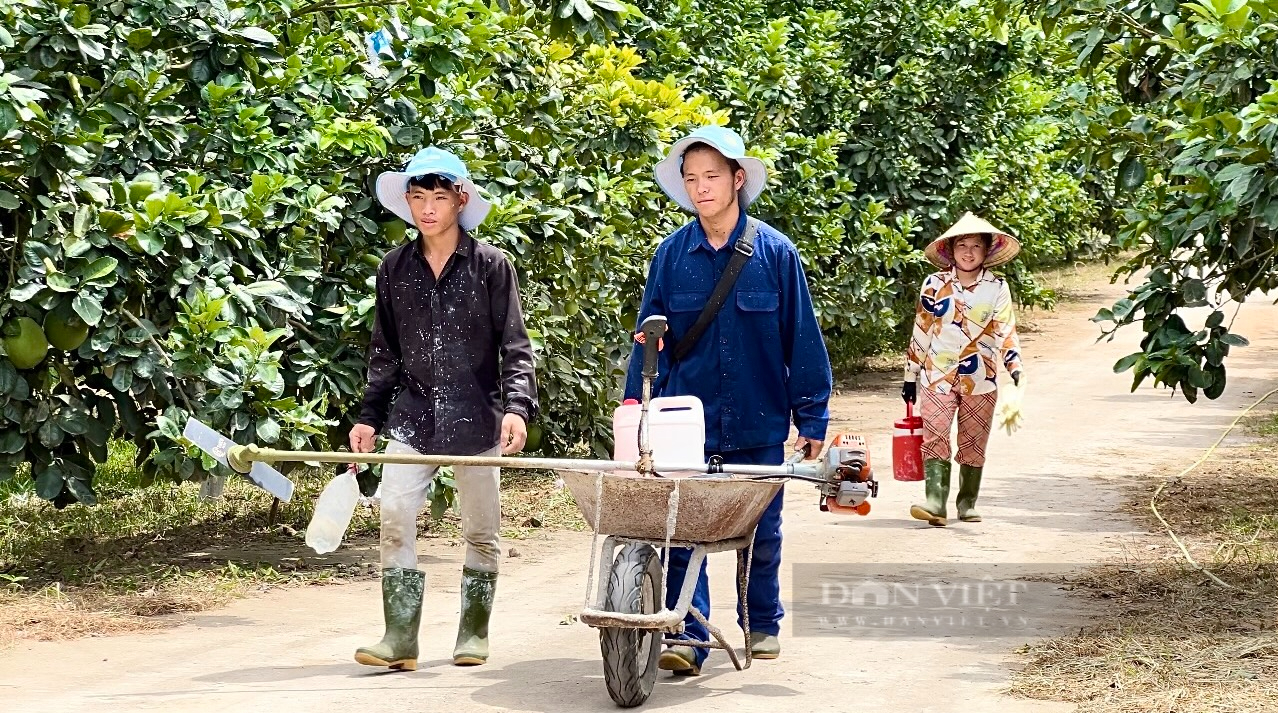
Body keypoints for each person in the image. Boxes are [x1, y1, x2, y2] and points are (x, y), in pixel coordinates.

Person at [623, 125, 833, 676]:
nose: (701, 188)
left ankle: (760, 621)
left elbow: (801, 337)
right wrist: (633, 409)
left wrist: (811, 414)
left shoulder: (776, 253)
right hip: (686, 423)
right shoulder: (671, 257)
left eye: (712, 176)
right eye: (691, 179)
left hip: (759, 419)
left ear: (738, 179)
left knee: (763, 529)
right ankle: (689, 633)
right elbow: (650, 340)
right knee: (680, 530)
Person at [349, 146, 538, 670]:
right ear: (406, 204)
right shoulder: (394, 268)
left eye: (438, 197)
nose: (427, 207)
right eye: (416, 197)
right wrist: (368, 417)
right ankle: (399, 638)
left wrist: (517, 408)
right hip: (411, 416)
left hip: (476, 416)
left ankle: (473, 635)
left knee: (481, 528)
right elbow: (384, 351)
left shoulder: (491, 266)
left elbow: (515, 346)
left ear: (461, 201)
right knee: (394, 516)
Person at [902, 212, 1024, 527]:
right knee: (935, 435)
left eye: (975, 246)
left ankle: (967, 502)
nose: (968, 252)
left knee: (973, 441)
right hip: (937, 376)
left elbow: (1004, 329)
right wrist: (910, 375)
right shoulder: (934, 284)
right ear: (952, 250)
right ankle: (935, 503)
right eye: (962, 245)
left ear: (986, 252)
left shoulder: (997, 287)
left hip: (981, 378)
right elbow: (922, 329)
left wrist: (1015, 368)